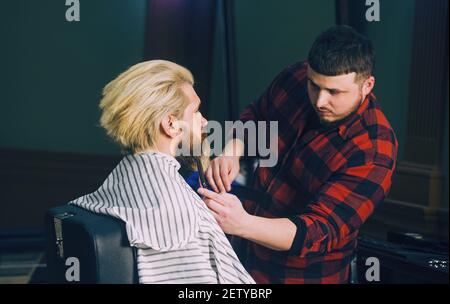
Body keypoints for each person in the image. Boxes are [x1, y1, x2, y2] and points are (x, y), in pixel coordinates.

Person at [199, 25, 398, 283]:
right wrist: (232, 151)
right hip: (241, 256)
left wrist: (242, 224)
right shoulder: (296, 77)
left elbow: (317, 230)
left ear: (367, 85)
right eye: (314, 85)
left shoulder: (374, 151)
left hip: (300, 274)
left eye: (334, 92)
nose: (319, 101)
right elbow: (258, 115)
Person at [69, 60, 255, 284]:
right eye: (195, 111)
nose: (205, 121)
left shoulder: (120, 180)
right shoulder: (182, 212)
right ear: (171, 125)